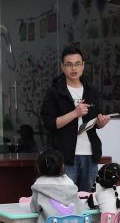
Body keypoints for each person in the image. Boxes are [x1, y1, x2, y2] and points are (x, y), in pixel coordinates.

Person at [40, 45, 111, 192]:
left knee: (88, 197)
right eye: (69, 64)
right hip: (66, 156)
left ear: (83, 65)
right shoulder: (55, 91)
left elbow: (96, 119)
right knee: (65, 197)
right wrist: (74, 113)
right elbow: (49, 124)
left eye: (77, 64)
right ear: (62, 66)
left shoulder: (91, 90)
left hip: (90, 154)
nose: (74, 68)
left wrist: (101, 123)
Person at [28, 148, 82, 223]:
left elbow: (34, 209)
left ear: (39, 167)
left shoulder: (38, 184)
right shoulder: (69, 183)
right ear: (62, 166)